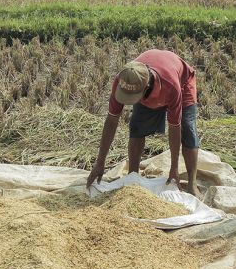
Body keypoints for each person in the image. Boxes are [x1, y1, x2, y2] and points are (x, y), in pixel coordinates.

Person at [86, 50, 201, 197]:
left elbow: (175, 127)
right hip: (152, 84)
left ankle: (192, 183)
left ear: (145, 88)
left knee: (188, 129)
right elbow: (112, 120)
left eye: (132, 97)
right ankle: (132, 177)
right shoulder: (123, 80)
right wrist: (100, 162)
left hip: (182, 82)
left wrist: (174, 169)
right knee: (137, 126)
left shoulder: (171, 86)